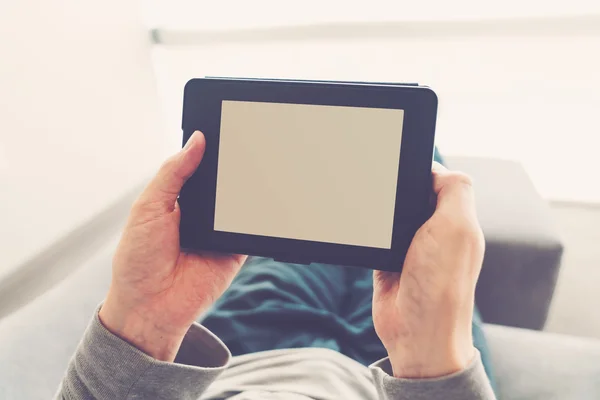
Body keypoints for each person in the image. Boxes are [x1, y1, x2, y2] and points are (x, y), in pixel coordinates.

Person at [56, 131, 497, 399]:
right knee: (416, 179)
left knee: (294, 229)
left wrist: (143, 321)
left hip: (245, 357)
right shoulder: (422, 362)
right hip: (396, 376)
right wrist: (429, 361)